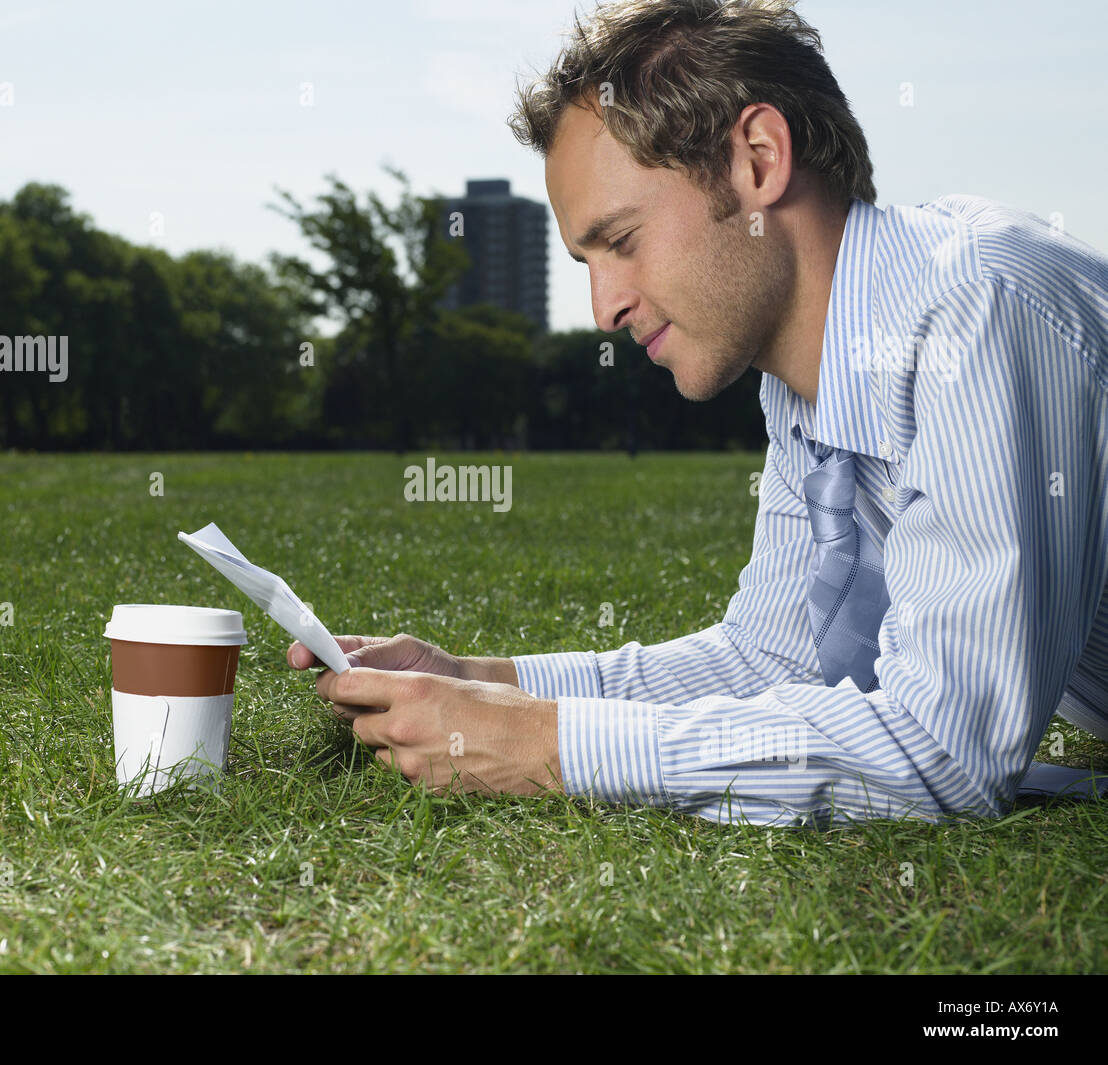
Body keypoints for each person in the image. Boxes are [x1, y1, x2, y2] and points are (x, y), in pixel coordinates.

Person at [288, 0, 1108, 826]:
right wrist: (484, 683)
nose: (604, 308)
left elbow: (945, 750)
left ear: (757, 160)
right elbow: (771, 658)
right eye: (585, 260)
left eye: (623, 240)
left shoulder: (979, 307)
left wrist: (549, 745)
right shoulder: (807, 380)